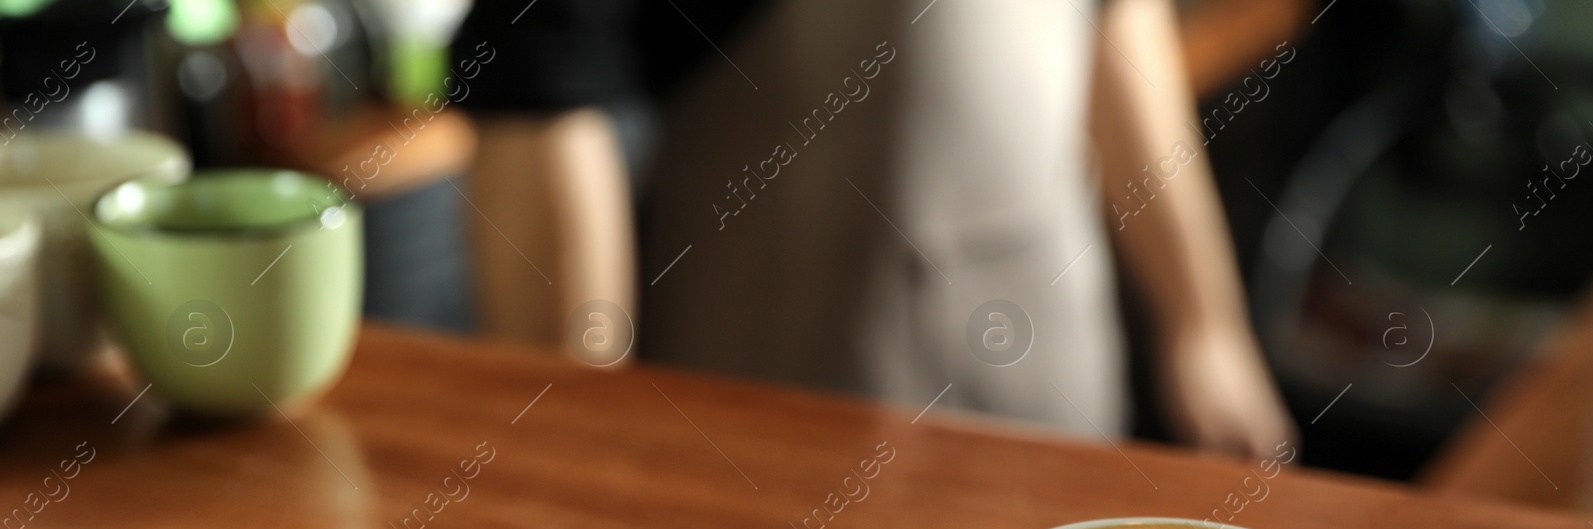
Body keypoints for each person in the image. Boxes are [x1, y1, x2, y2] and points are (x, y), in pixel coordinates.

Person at [453, 0, 1296, 457]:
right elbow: (544, 83)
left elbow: (1116, 17)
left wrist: (1204, 323)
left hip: (1058, 381)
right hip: (786, 413)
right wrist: (577, 431)